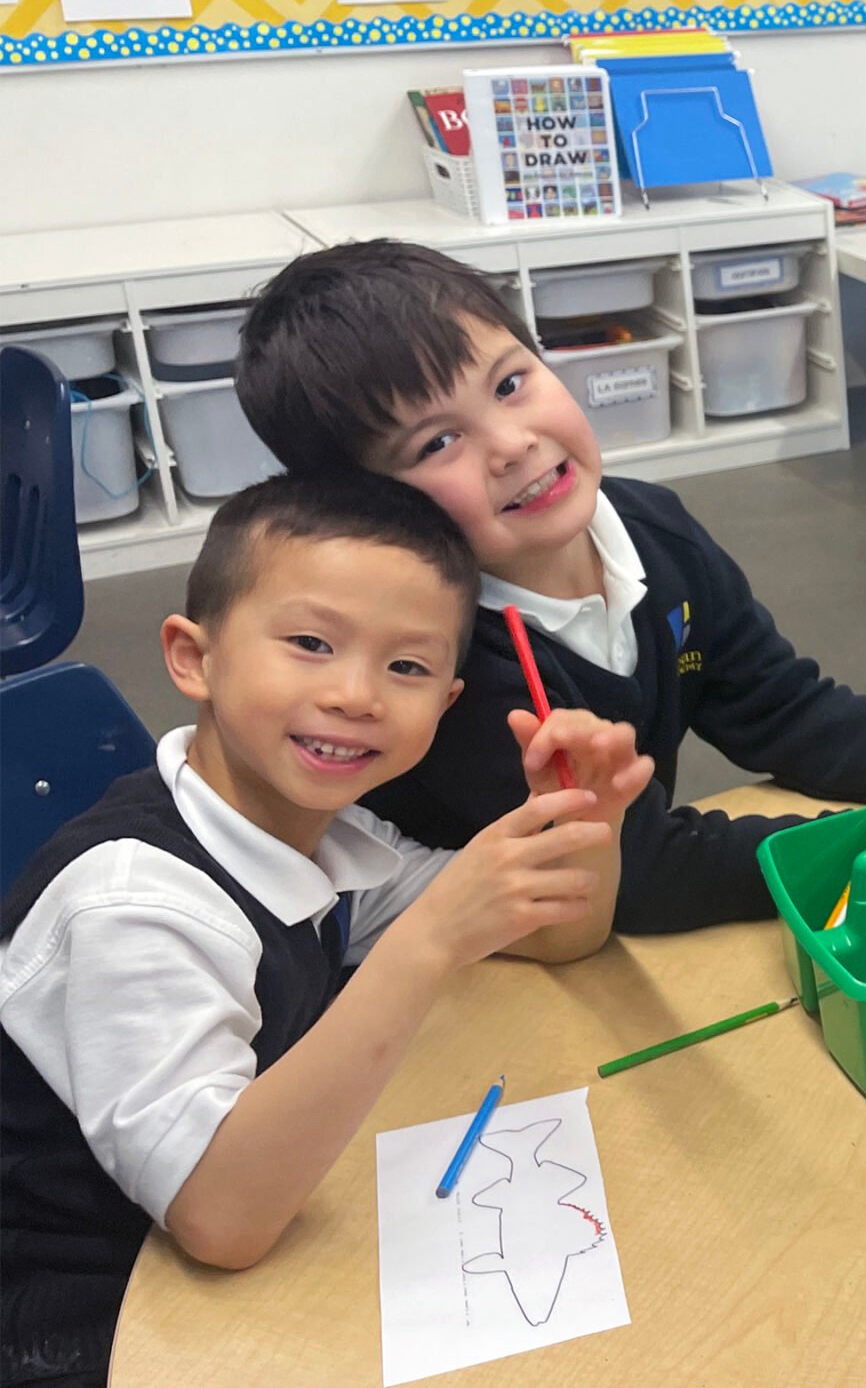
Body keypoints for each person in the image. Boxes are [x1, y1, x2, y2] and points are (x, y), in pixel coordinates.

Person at [232, 241, 866, 936]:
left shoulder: (650, 528)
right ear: (366, 505)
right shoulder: (436, 661)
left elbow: (785, 710)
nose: (508, 443)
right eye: (436, 443)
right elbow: (639, 873)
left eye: (511, 382)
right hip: (496, 974)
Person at [0, 474, 654, 1387]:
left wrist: (586, 819)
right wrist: (427, 944)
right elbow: (220, 1221)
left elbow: (557, 938)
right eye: (310, 644)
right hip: (87, 1320)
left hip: (236, 1249)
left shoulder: (324, 836)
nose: (356, 694)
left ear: (448, 699)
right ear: (195, 658)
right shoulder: (132, 905)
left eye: (408, 668)